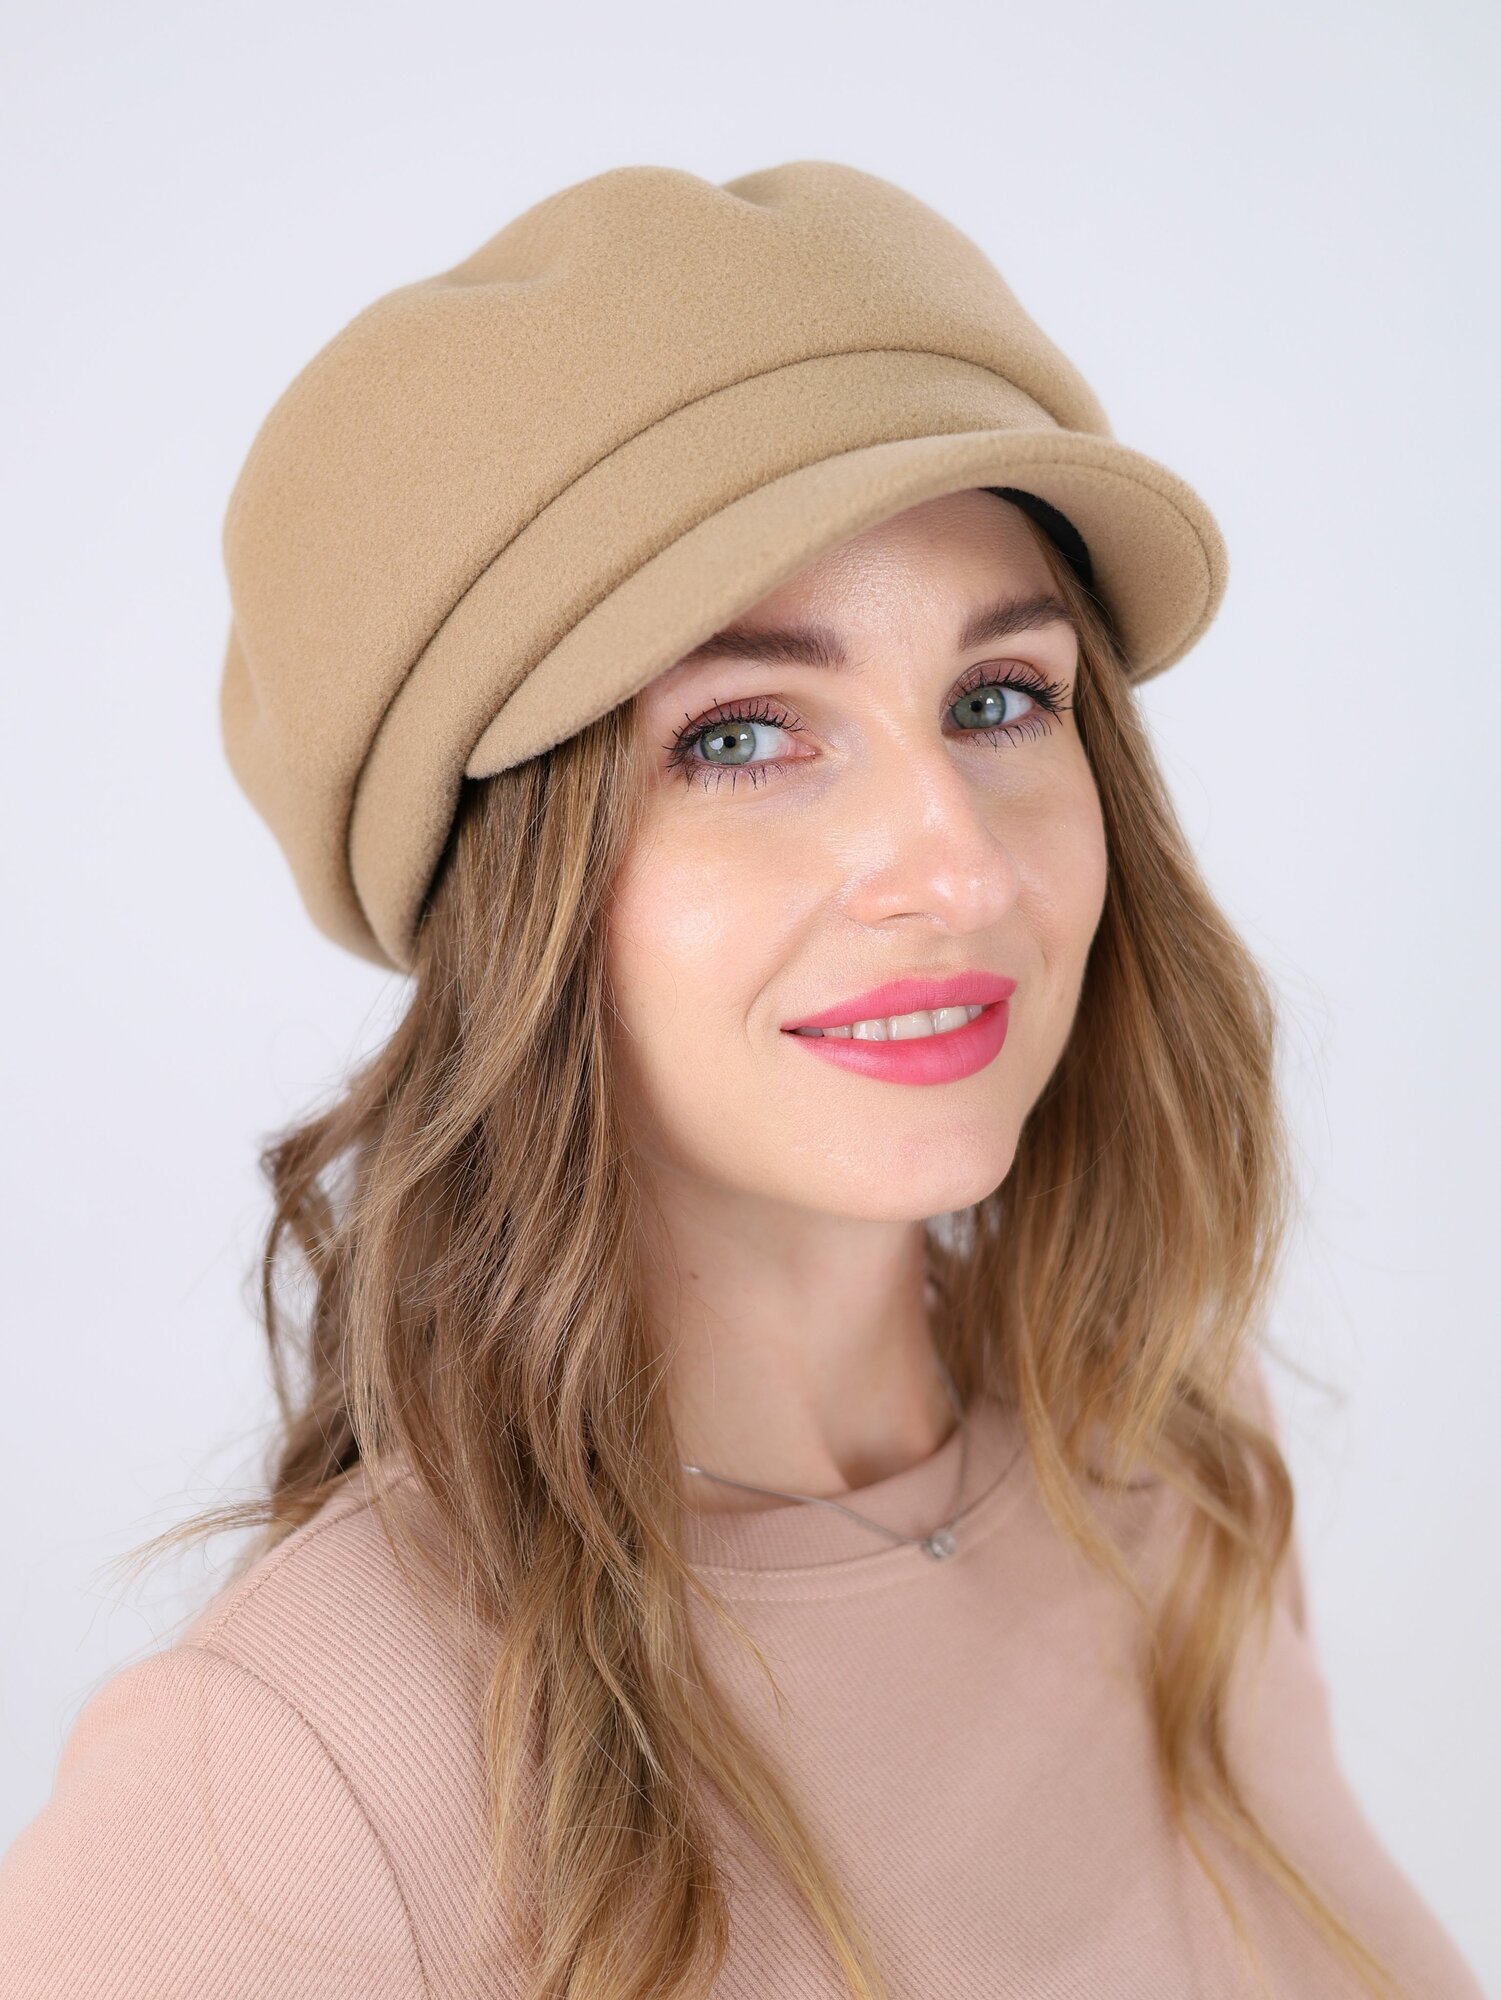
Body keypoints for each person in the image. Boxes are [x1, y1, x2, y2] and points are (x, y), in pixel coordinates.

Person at [0, 161, 1483, 2000]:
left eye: (998, 700)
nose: (955, 867)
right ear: (510, 898)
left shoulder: (1162, 1457)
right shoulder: (294, 1778)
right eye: (740, 736)